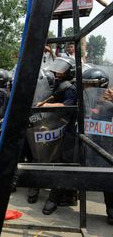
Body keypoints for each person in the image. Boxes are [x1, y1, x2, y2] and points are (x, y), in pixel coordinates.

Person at [38, 56, 77, 215]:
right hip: (54, 126)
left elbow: (68, 105)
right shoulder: (58, 84)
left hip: (66, 127)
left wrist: (47, 105)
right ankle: (67, 195)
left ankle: (55, 198)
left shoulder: (71, 87)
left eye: (62, 70)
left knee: (63, 162)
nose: (57, 72)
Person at [81, 67, 113, 224]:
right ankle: (56, 197)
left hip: (106, 146)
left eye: (91, 86)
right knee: (73, 167)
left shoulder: (109, 102)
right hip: (85, 142)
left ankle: (111, 211)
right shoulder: (83, 102)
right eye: (86, 85)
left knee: (107, 177)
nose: (88, 89)